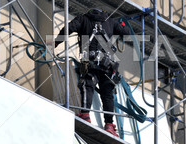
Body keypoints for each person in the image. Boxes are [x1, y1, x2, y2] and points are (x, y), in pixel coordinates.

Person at [54, 8, 130, 137]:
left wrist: (55, 42)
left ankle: (85, 114)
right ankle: (109, 124)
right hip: (108, 64)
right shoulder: (110, 21)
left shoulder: (83, 19)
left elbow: (68, 28)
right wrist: (122, 24)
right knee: (107, 94)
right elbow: (126, 32)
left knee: (87, 86)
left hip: (90, 61)